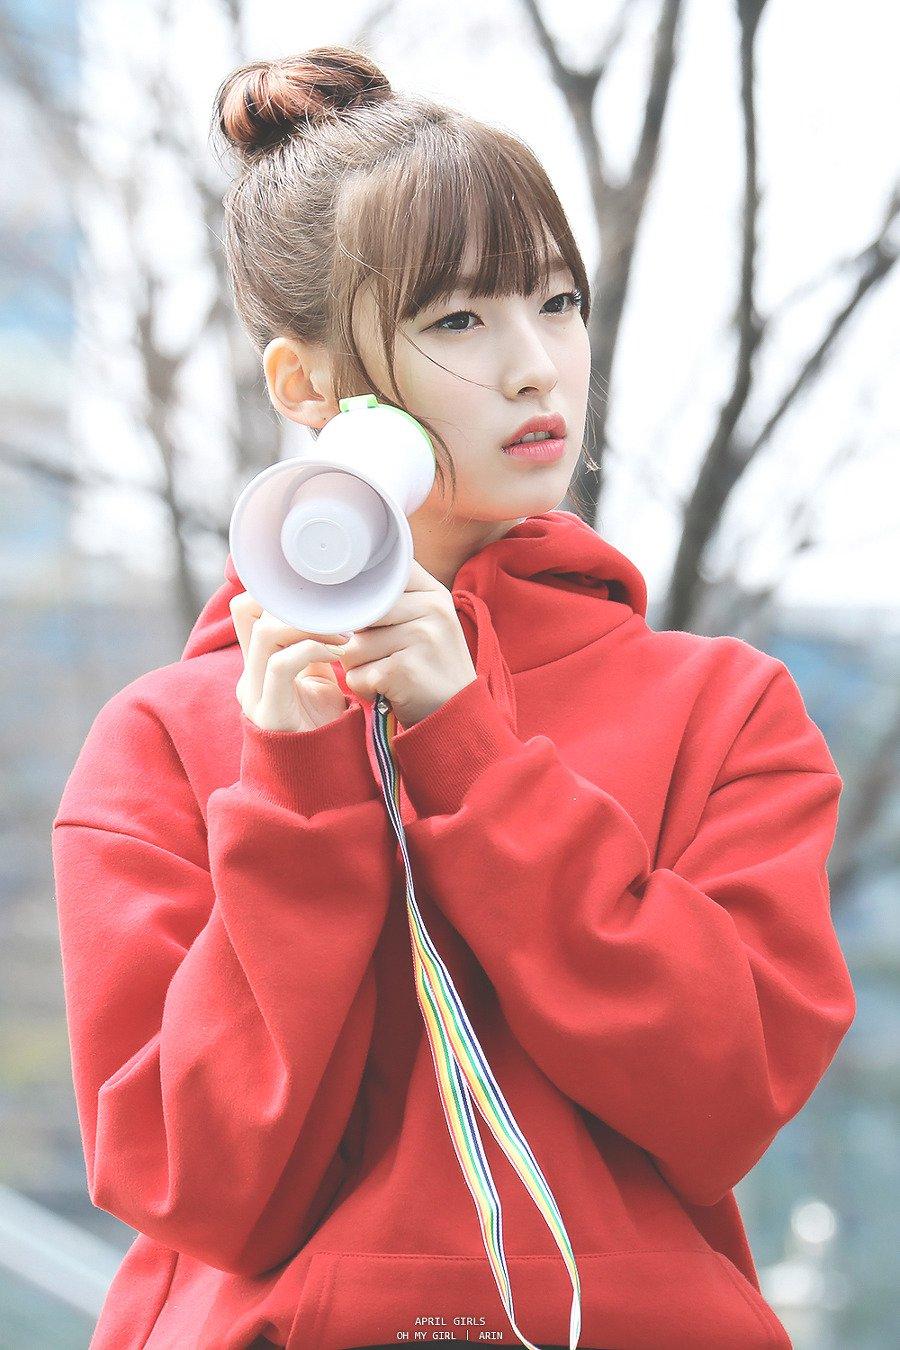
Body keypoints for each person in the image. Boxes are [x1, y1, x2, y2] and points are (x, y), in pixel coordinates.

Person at [50, 44, 856, 1350]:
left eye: (557, 301)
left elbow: (724, 1099)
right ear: (305, 385)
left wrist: (471, 752)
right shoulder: (168, 739)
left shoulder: (725, 710)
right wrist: (295, 792)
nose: (538, 367)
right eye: (459, 321)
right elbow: (197, 1188)